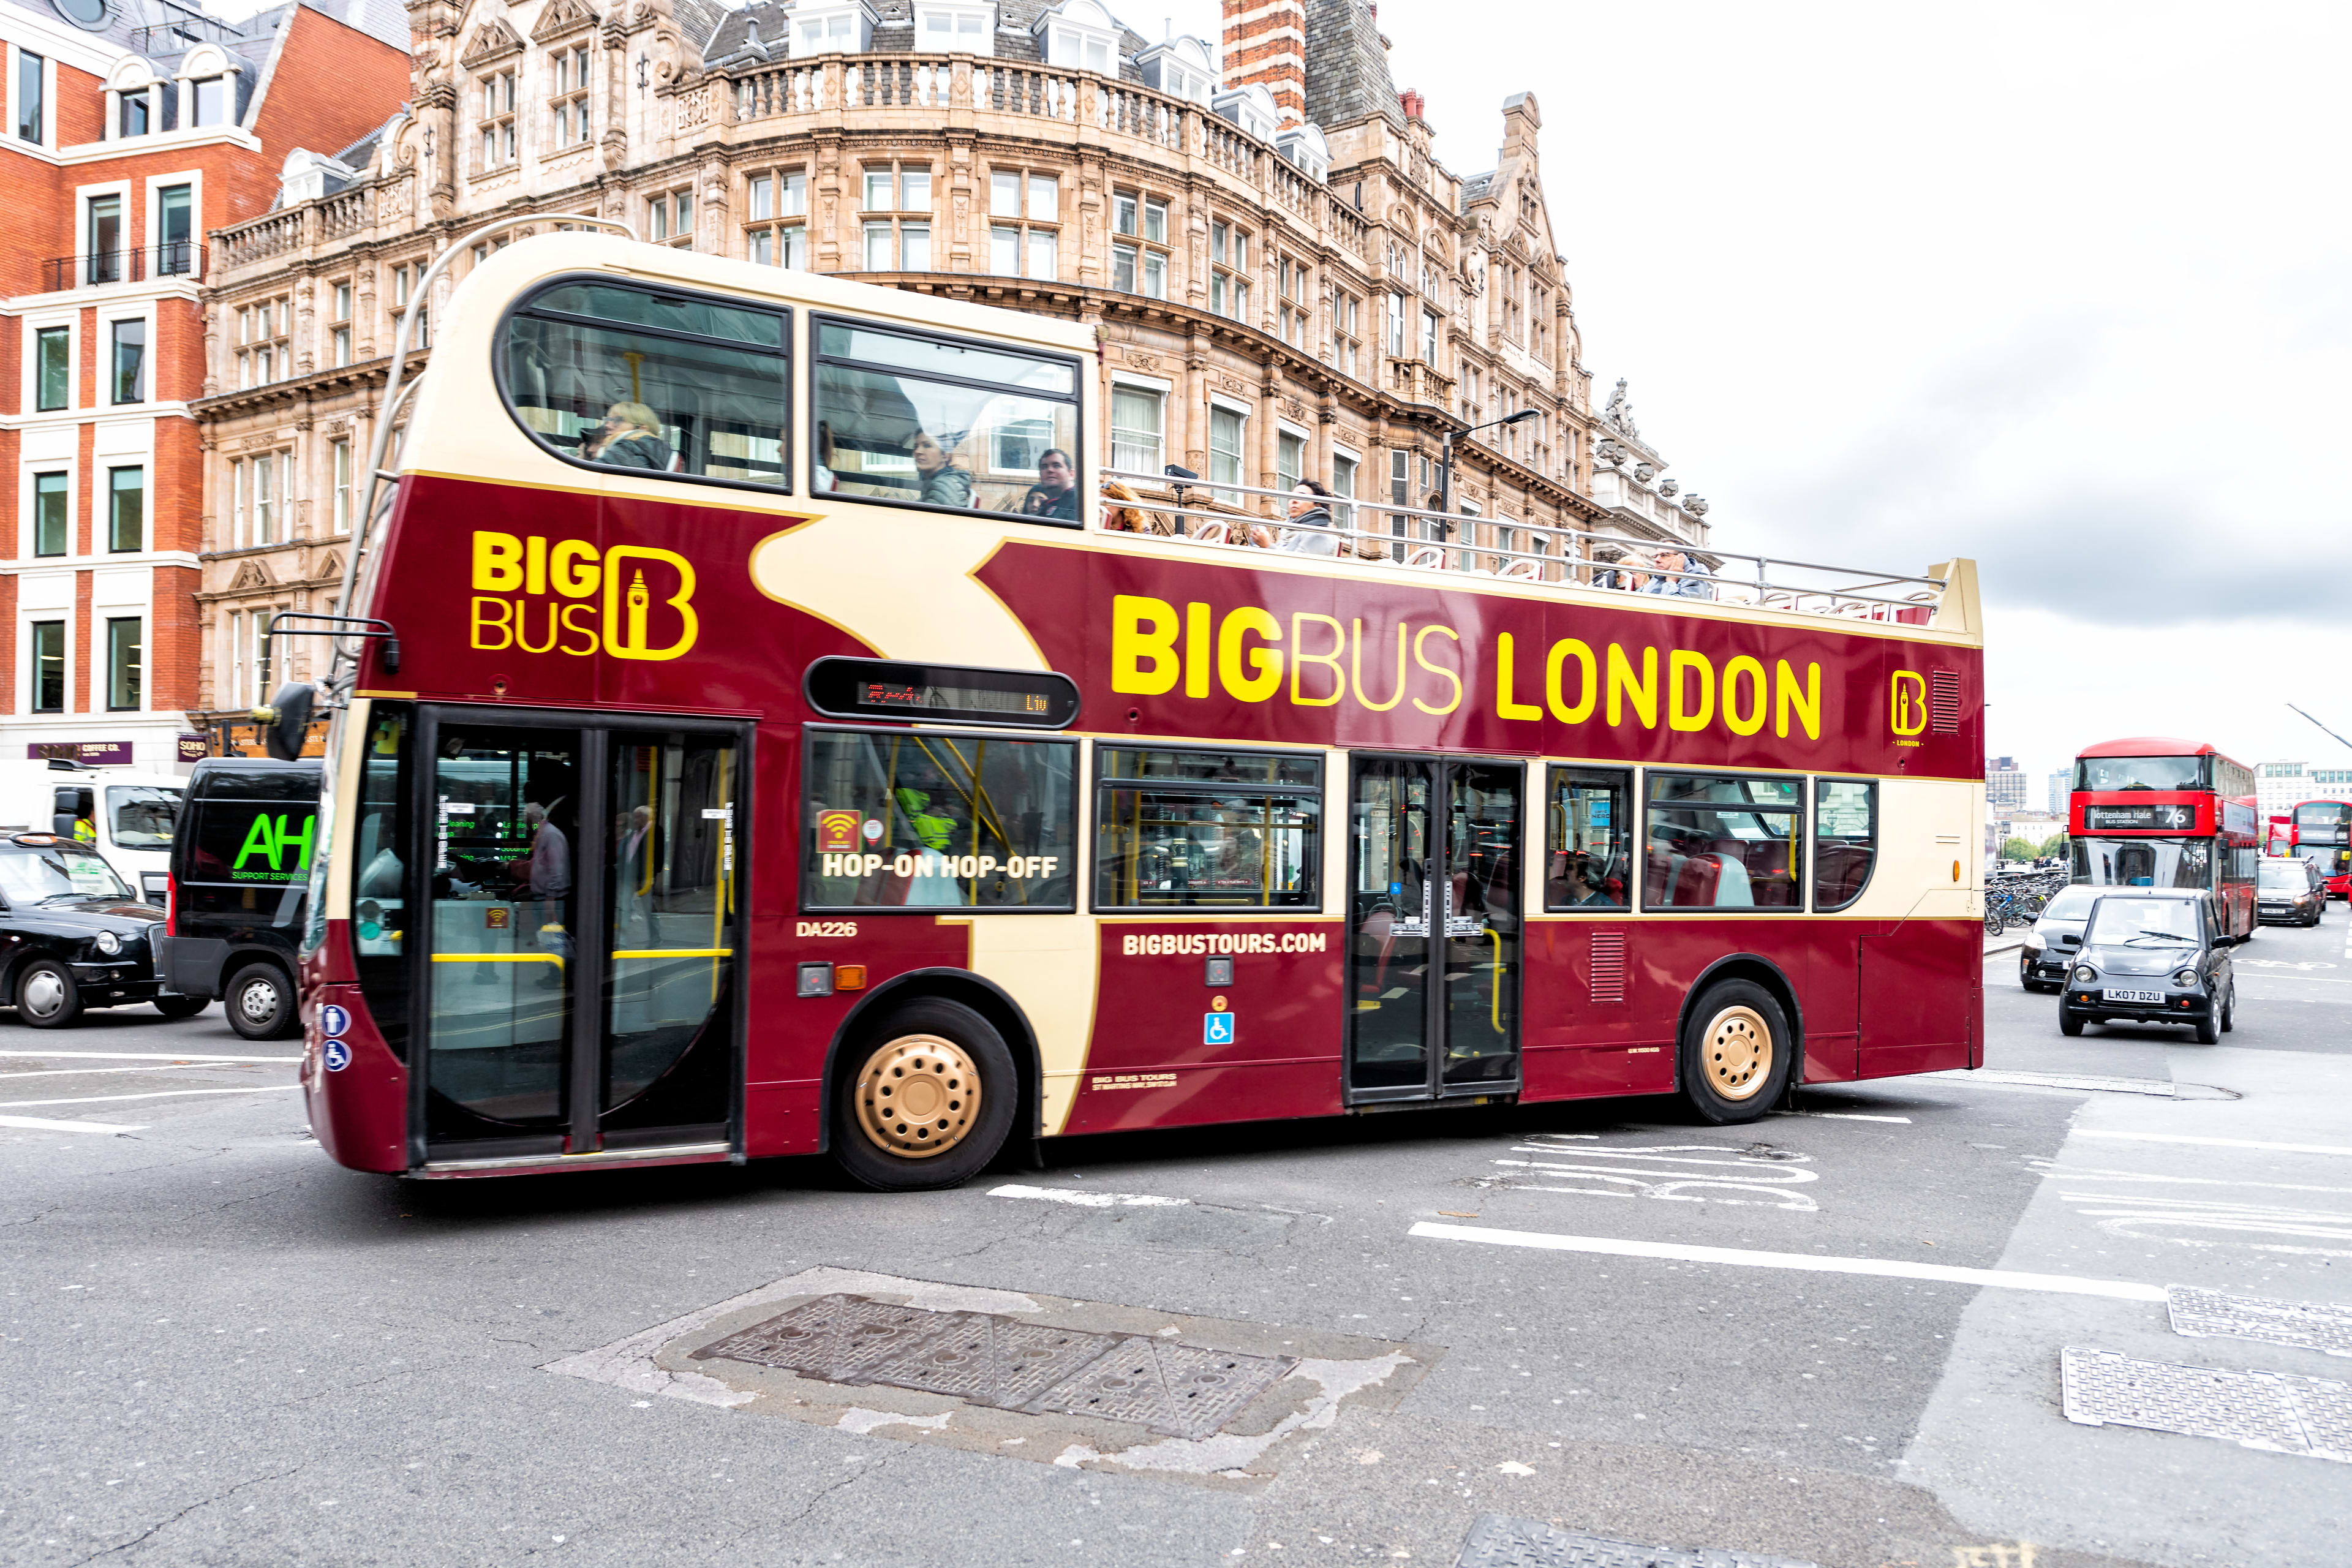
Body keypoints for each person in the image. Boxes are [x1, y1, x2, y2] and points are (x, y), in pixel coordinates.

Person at [1250, 480, 1340, 555]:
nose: (1294, 501)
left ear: (1317, 505)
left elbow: (1296, 569)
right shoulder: (1289, 532)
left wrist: (1267, 545)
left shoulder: (1319, 534)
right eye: (1292, 497)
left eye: (1301, 496)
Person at [582, 402, 676, 471]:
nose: (607, 425)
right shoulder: (648, 451)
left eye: (617, 421)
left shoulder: (628, 449)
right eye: (608, 420)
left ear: (642, 430)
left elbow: (588, 477)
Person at [908, 431, 973, 508]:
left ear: (945, 455)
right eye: (916, 447)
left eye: (927, 446)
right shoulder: (935, 483)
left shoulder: (943, 486)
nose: (918, 451)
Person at [1019, 448, 1081, 521]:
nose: (1050, 470)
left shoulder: (1080, 501)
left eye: (1057, 466)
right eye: (1044, 467)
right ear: (1040, 475)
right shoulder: (1045, 508)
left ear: (1071, 474)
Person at [1644, 547, 1715, 600]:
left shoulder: (1697, 579)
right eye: (1656, 556)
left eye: (1664, 555)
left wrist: (1671, 581)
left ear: (1680, 557)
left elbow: (1675, 611)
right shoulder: (1657, 578)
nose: (1657, 560)